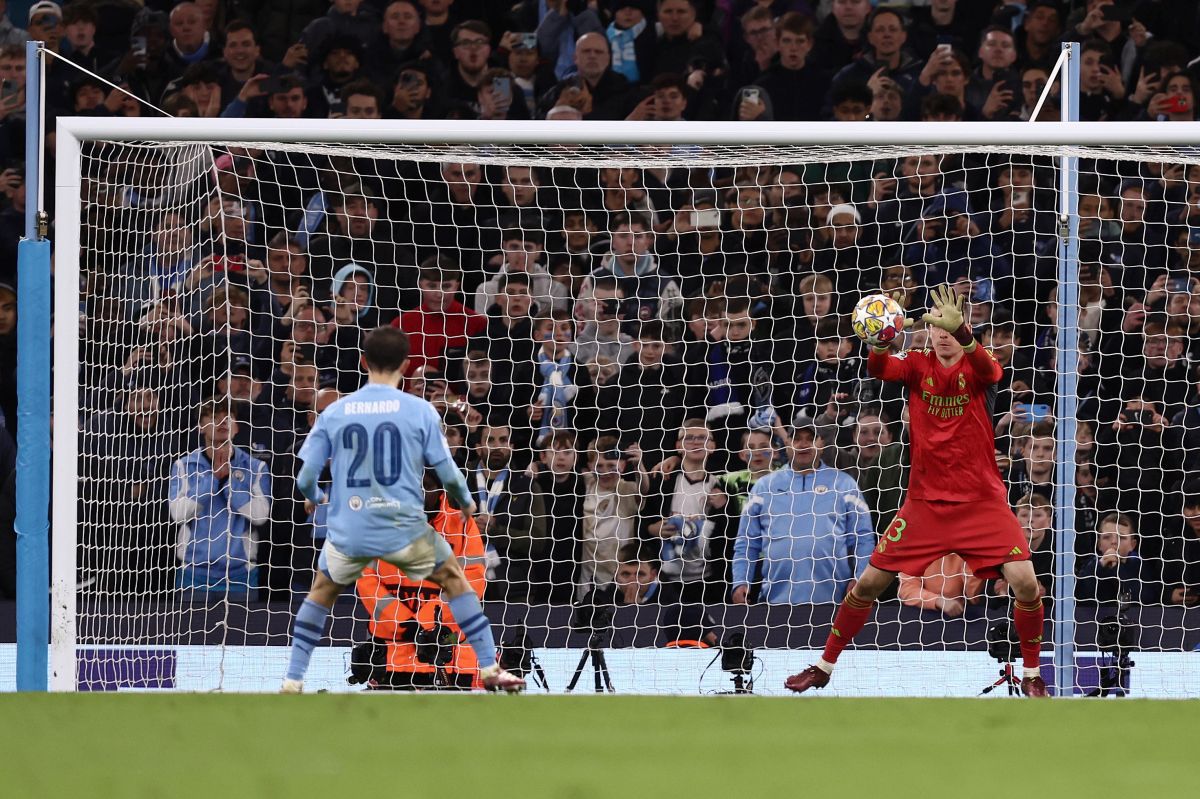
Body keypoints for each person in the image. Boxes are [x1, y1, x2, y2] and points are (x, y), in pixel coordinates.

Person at [785, 286, 1051, 697]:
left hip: (981, 503)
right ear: (928, 331)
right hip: (925, 505)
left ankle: (1032, 675)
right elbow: (879, 370)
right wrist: (877, 342)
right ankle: (823, 666)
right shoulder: (915, 363)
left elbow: (992, 373)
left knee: (1027, 584)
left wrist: (963, 332)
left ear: (962, 325)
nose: (941, 333)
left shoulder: (982, 364)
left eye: (950, 324)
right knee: (868, 584)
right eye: (936, 325)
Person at [281, 326, 523, 693]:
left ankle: (293, 679)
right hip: (401, 524)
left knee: (319, 595)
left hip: (352, 524)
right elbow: (448, 472)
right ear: (406, 365)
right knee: (458, 583)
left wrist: (316, 496)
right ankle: (491, 670)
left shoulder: (337, 411)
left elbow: (305, 480)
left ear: (363, 362)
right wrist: (468, 502)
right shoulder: (418, 410)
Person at [732, 420, 874, 605]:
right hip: (775, 604)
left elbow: (864, 538)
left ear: (821, 444)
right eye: (797, 438)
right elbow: (746, 543)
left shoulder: (845, 484)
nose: (803, 444)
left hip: (835, 603)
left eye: (810, 438)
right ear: (787, 444)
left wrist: (861, 578)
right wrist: (740, 581)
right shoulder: (763, 488)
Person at [168, 398, 271, 593]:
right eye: (214, 417)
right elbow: (178, 514)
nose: (222, 422)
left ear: (237, 427)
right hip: (193, 574)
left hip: (241, 575)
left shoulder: (256, 467)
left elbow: (260, 515)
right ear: (200, 427)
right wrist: (213, 479)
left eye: (228, 417)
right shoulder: (183, 465)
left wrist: (228, 483)